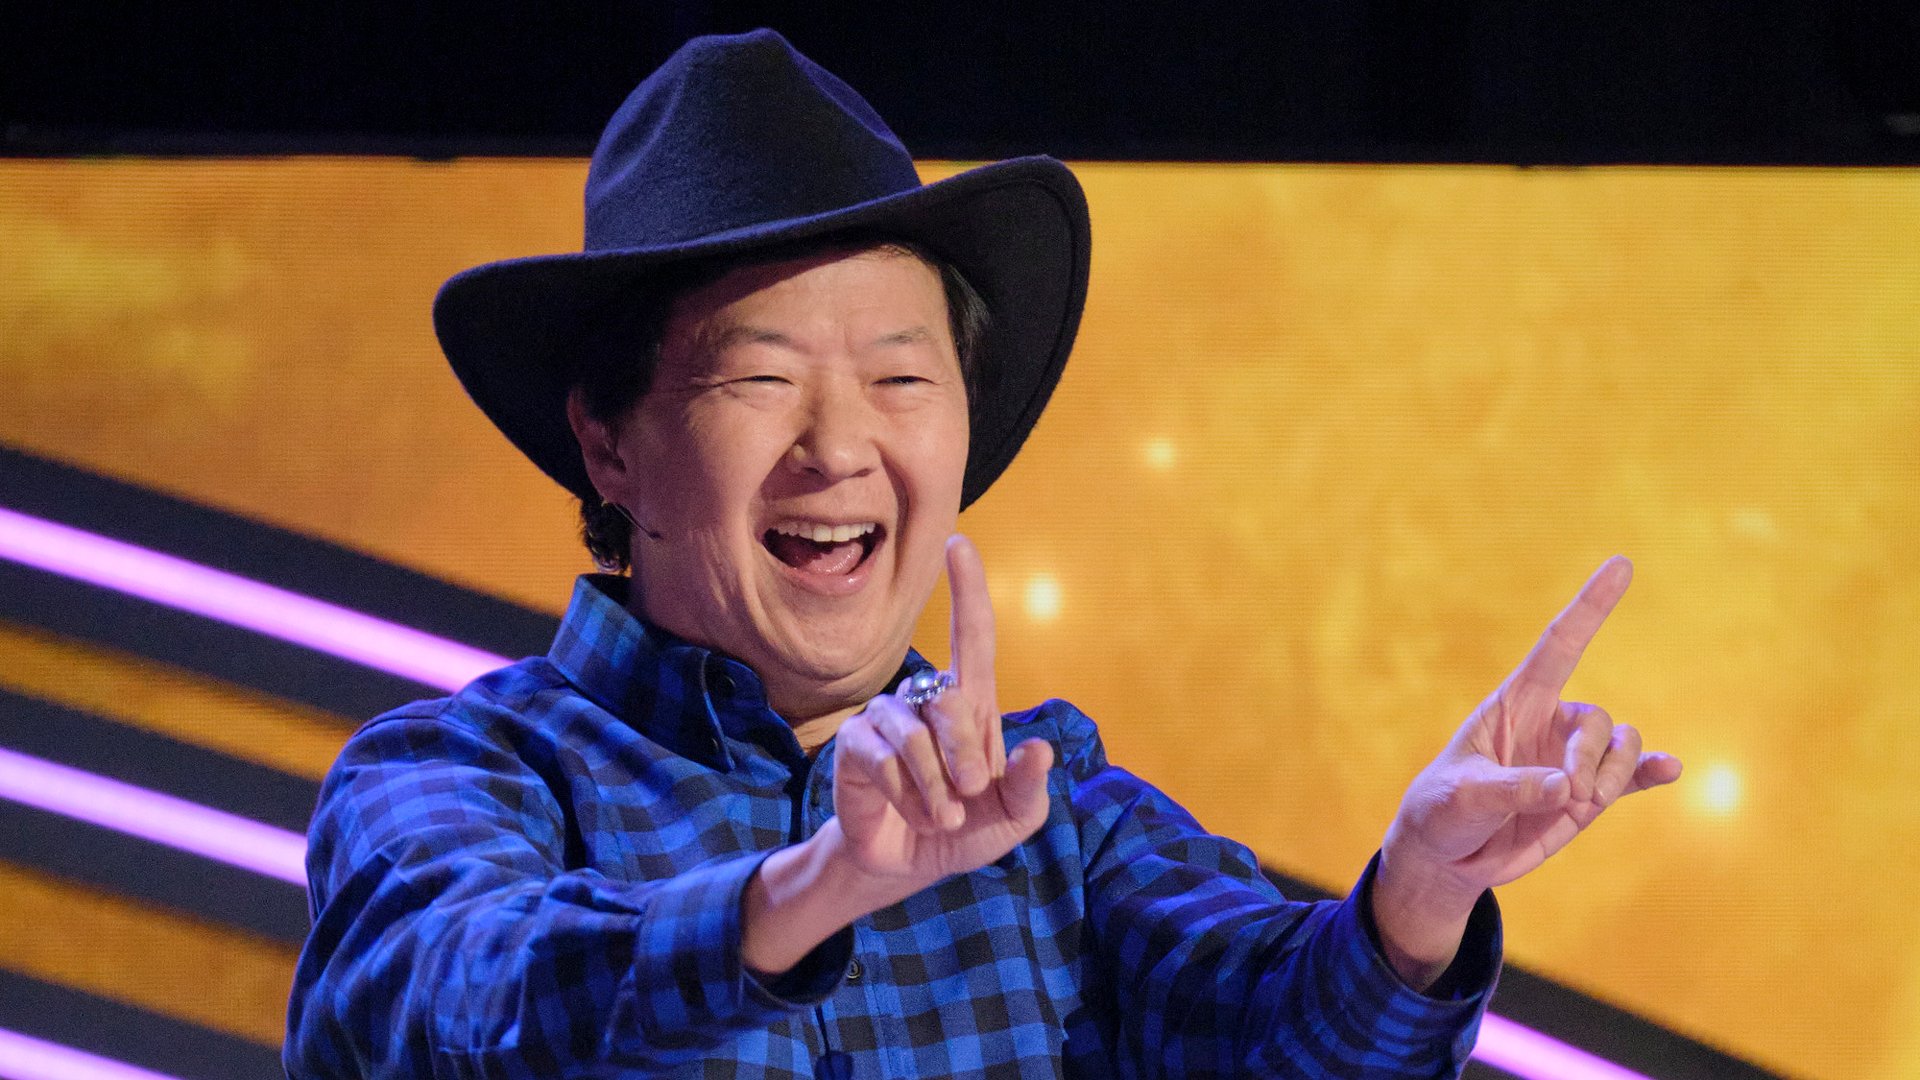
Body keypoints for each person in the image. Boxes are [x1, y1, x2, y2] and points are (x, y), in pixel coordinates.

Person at [284, 29, 1681, 1079]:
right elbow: (464, 1011)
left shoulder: (1050, 805)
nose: (838, 447)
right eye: (762, 379)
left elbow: (1280, 1030)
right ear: (609, 442)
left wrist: (1418, 902)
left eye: (901, 380)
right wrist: (817, 886)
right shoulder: (454, 777)